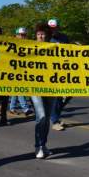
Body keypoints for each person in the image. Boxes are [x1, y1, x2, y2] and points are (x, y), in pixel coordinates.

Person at [31, 23, 56, 159]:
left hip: (51, 88)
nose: (40, 36)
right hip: (35, 87)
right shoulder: (29, 47)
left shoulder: (54, 48)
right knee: (40, 117)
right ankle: (37, 146)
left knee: (47, 118)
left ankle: (43, 145)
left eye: (43, 34)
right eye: (38, 34)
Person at [48, 18, 70, 131]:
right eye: (51, 28)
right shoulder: (45, 38)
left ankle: (55, 114)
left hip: (64, 70)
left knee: (69, 94)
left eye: (55, 28)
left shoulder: (64, 37)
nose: (53, 30)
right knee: (56, 97)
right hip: (51, 72)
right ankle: (55, 121)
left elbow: (71, 49)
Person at [9, 27, 33, 116]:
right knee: (20, 89)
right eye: (20, 35)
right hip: (14, 70)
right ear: (16, 35)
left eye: (24, 35)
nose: (22, 36)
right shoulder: (12, 44)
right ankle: (25, 108)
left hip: (24, 71)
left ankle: (12, 108)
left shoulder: (28, 45)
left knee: (16, 91)